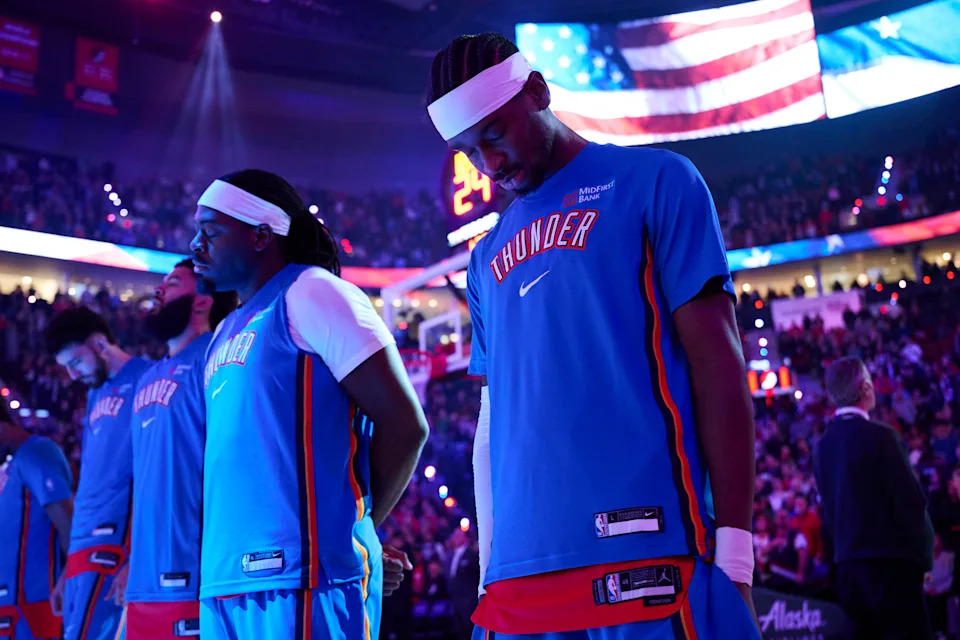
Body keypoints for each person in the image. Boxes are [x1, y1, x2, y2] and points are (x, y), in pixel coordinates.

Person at [426, 33, 759, 639]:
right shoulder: (484, 257)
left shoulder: (658, 182)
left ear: (537, 91)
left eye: (495, 134)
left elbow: (720, 368)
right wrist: (486, 576)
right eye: (470, 152)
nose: (489, 164)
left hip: (648, 560)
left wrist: (736, 553)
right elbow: (491, 421)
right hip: (518, 585)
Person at [189, 169, 428, 639]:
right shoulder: (222, 334)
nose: (196, 245)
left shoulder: (313, 292)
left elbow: (405, 424)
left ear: (260, 236)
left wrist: (356, 531)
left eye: (211, 232)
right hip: (222, 580)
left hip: (301, 577)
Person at [120, 260, 236, 639]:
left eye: (172, 283)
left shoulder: (216, 357)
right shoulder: (146, 377)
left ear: (202, 301)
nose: (158, 291)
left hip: (195, 575)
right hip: (142, 577)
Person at [46, 307, 152, 640]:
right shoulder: (95, 392)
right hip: (83, 548)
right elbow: (92, 479)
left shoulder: (147, 378)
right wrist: (69, 567)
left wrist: (137, 553)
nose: (73, 376)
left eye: (75, 363)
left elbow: (153, 475)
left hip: (114, 545)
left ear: (99, 344)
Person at [815, 356, 934, 639]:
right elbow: (910, 505)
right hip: (892, 568)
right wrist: (926, 557)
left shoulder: (822, 445)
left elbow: (828, 516)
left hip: (848, 572)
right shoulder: (882, 437)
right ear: (867, 388)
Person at [0, 400, 74, 640]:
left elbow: (68, 526)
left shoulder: (36, 452)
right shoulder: (9, 467)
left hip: (32, 605)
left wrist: (68, 577)